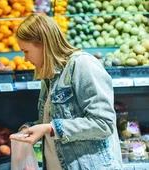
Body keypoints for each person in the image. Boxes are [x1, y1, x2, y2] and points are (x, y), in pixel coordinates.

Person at [9, 13, 122, 170]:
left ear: (42, 44)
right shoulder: (50, 75)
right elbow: (58, 118)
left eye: (26, 51)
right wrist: (29, 130)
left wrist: (51, 128)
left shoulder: (83, 65)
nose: (25, 59)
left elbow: (104, 123)